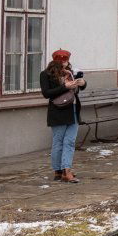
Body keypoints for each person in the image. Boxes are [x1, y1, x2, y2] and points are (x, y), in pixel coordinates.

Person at [40, 49, 86, 183]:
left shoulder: (71, 72)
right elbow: (47, 93)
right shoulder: (46, 74)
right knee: (58, 142)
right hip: (58, 111)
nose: (64, 63)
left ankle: (67, 170)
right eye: (61, 60)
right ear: (55, 60)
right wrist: (65, 86)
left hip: (73, 110)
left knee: (70, 142)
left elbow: (78, 88)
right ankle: (58, 171)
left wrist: (82, 83)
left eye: (66, 60)